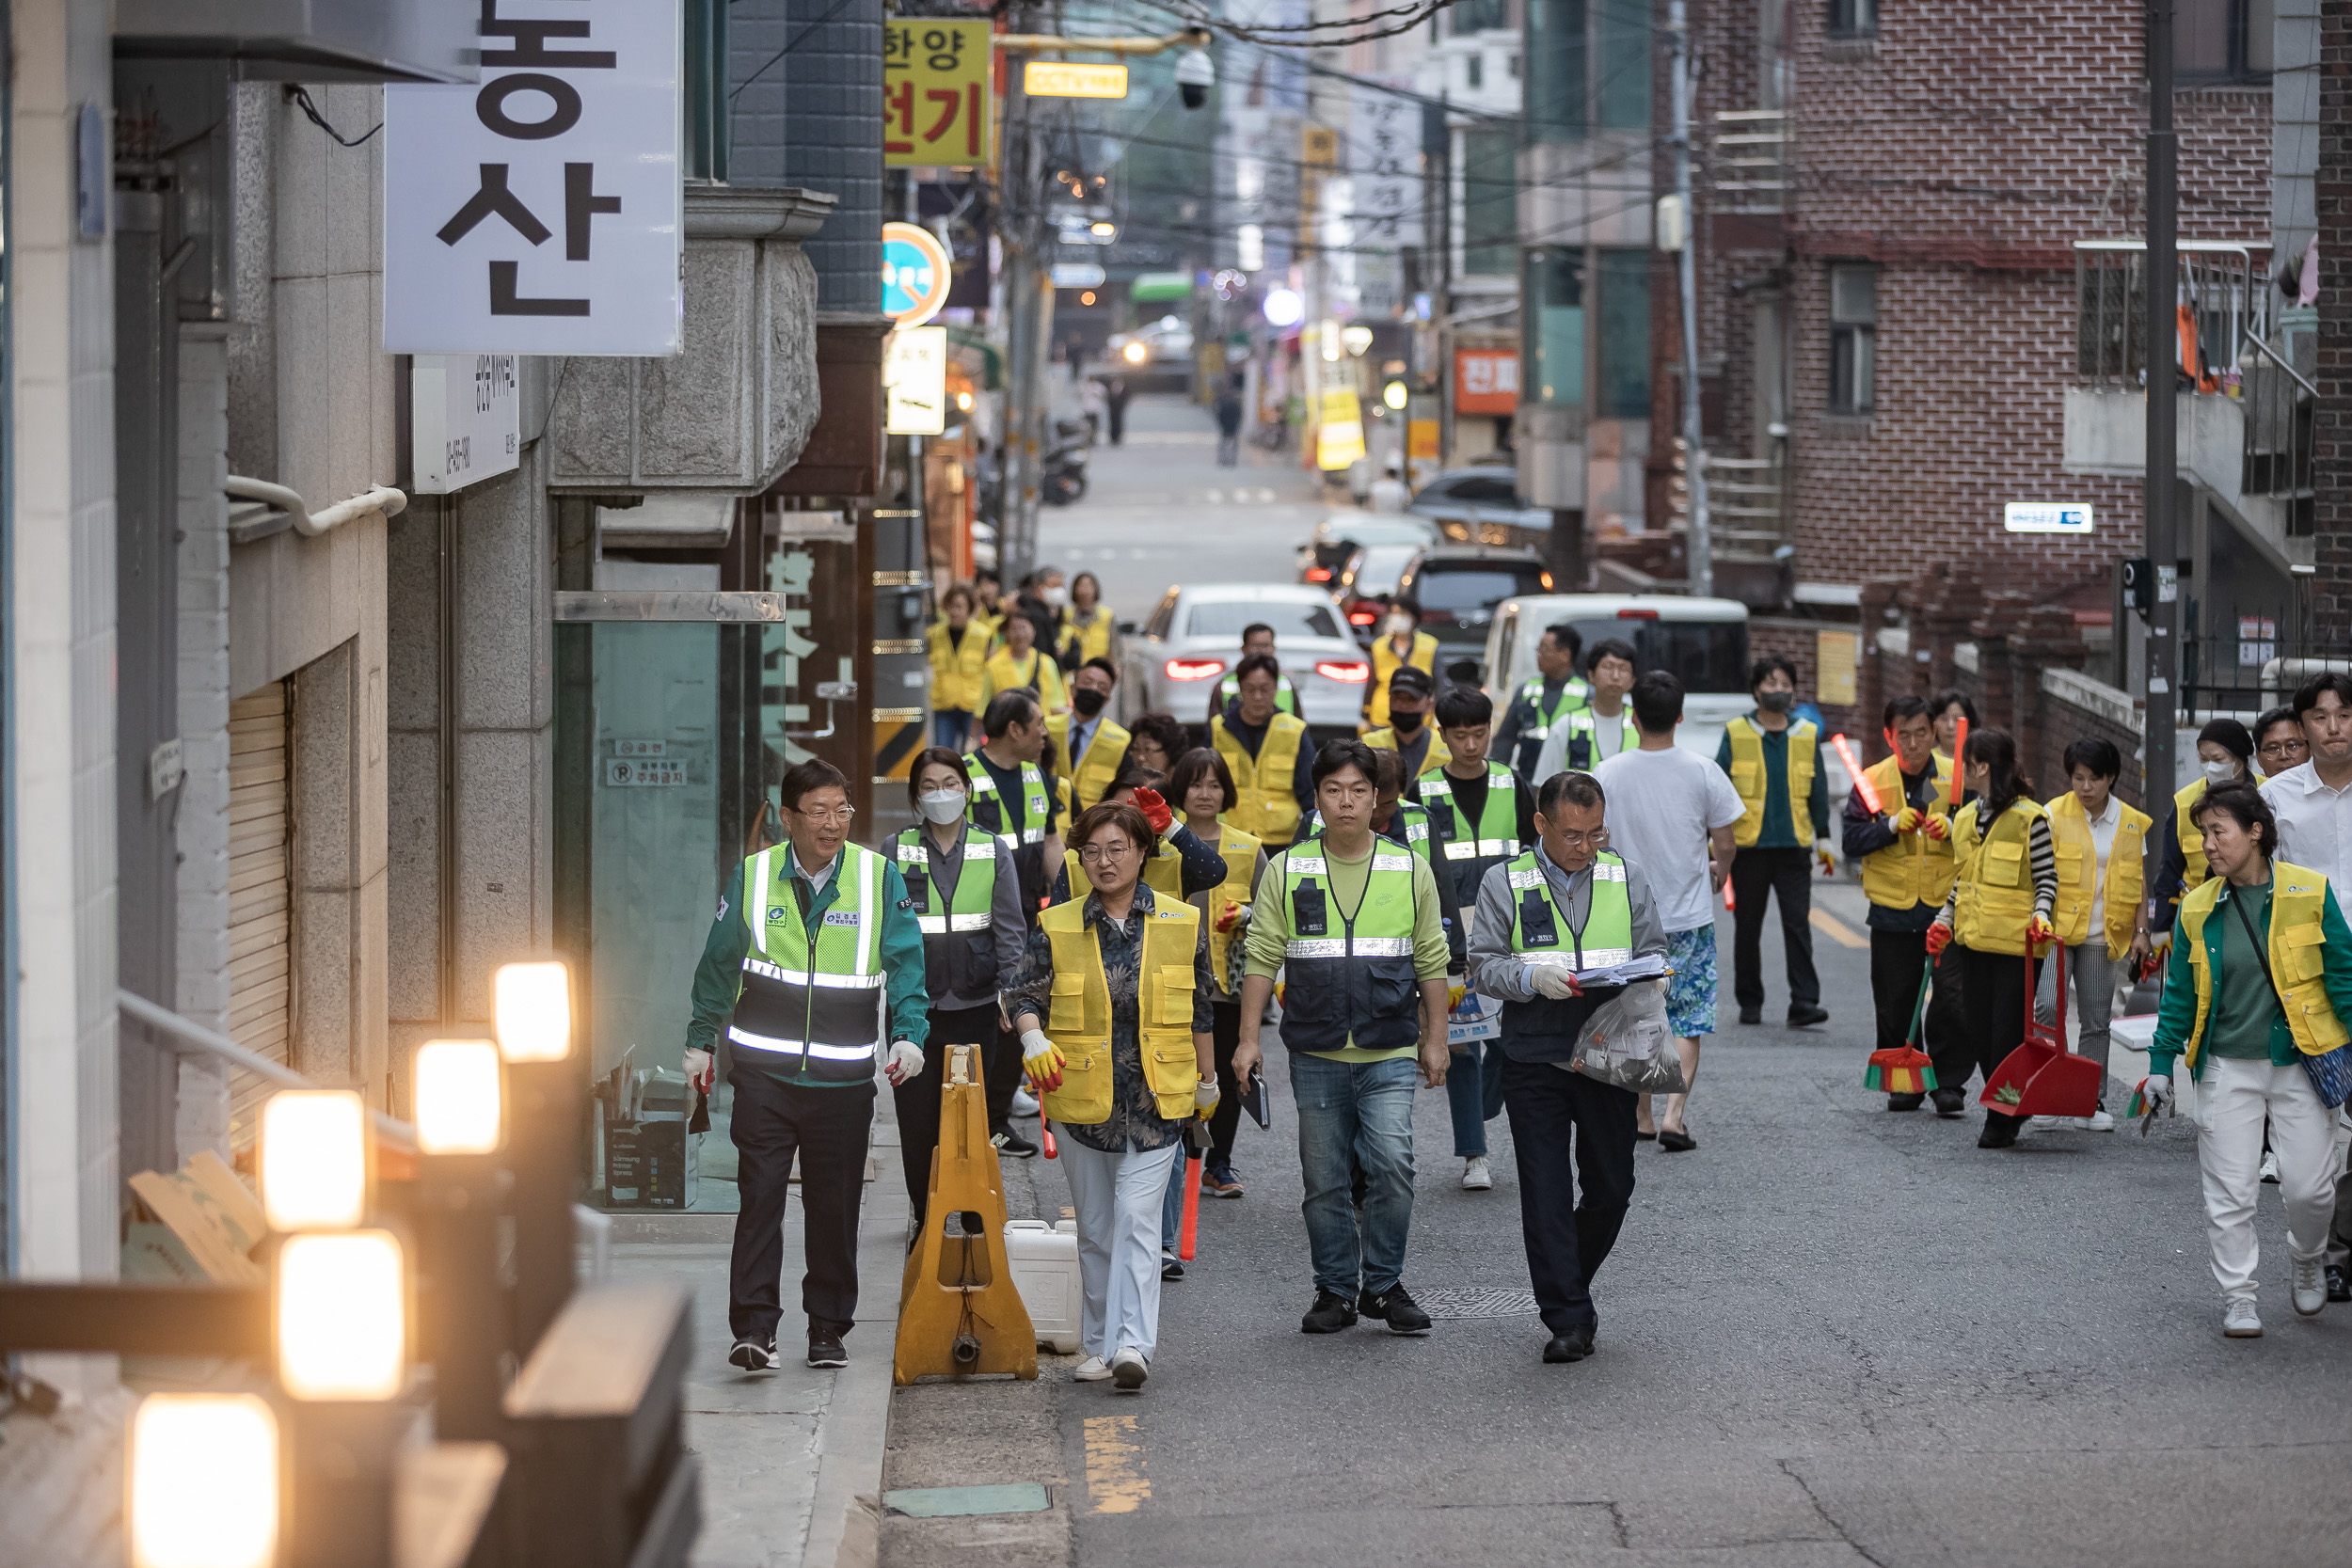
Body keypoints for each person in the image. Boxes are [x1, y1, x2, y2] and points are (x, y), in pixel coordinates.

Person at [682, 760, 929, 1371]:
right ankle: (755, 1330)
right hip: (764, 1078)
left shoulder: (877, 877)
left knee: (834, 1205)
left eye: (841, 809)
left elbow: (906, 963)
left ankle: (827, 1327)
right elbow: (719, 963)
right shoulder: (754, 875)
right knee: (760, 1197)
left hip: (843, 1085)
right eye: (817, 810)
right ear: (787, 817)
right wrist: (700, 1041)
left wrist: (909, 1035)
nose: (832, 822)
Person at [1232, 739, 1454, 1337]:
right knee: (1323, 1179)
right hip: (1316, 1051)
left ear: (1378, 798)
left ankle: (1383, 1285)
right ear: (1318, 799)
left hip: (1389, 1047)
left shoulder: (1410, 868)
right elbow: (1261, 957)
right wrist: (1248, 1039)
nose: (1347, 802)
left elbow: (1432, 958)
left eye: (1359, 790)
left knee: (1394, 1164)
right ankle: (1334, 1290)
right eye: (1334, 790)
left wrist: (1437, 1038)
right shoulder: (1288, 867)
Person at [1004, 800, 1219, 1389]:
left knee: (1137, 1220)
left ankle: (1133, 1346)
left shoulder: (1181, 923)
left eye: (1116, 849)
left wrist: (1210, 1081)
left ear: (1142, 852)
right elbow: (1021, 996)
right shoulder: (1058, 923)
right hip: (1082, 1098)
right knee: (1096, 1228)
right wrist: (1032, 1040)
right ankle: (1098, 1344)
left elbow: (1201, 1008)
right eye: (1092, 851)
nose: (1104, 862)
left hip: (1158, 1097)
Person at [1466, 770, 1669, 1363]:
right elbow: (1482, 967)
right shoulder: (1505, 882)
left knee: (1612, 1187)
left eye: (1596, 832)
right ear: (1541, 825)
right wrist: (1531, 977)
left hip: (1612, 1049)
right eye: (1573, 835)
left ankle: (1565, 1279)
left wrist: (1652, 972)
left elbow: (1653, 947)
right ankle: (1568, 1318)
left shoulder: (1624, 875)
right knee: (1547, 1192)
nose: (1587, 846)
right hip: (1534, 1055)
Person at [2141, 783, 2352, 1338]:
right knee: (2230, 1189)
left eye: (2218, 831)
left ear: (2255, 831)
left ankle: (2306, 1255)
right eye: (2203, 834)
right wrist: (2161, 1064)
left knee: (2311, 1187)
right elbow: (2180, 996)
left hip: (2302, 1061)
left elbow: (2343, 980)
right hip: (2225, 1066)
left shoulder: (2311, 891)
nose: (2207, 845)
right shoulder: (2196, 906)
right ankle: (2240, 1295)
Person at [1594, 673, 1743, 1150]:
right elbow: (1725, 840)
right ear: (1679, 717)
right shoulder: (1703, 771)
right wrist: (1720, 868)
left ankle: (1641, 1114)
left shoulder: (1608, 773)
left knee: (1640, 1013)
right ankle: (1674, 1116)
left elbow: (1599, 841)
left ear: (1633, 717)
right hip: (1690, 917)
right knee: (1688, 1016)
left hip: (1628, 919)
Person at [891, 751, 1027, 1227]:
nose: (941, 793)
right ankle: (925, 1221)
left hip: (977, 1005)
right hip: (913, 1014)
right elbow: (886, 935)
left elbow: (1010, 930)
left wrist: (1013, 994)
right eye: (929, 785)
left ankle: (973, 1218)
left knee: (971, 1121)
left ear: (967, 790)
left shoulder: (993, 850)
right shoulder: (896, 848)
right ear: (916, 796)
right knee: (917, 1124)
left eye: (950, 783)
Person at [1415, 685, 1537, 1188]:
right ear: (1442, 734)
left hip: (1509, 930)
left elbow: (1537, 852)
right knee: (1461, 1042)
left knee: (1508, 1039)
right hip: (1447, 931)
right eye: (1459, 735)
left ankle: (1487, 1110)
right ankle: (1474, 1155)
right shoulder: (1421, 792)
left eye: (1480, 733)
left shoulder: (1514, 783)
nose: (1470, 745)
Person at [2260, 674, 2352, 1303]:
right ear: (2302, 727)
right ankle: (2331, 1251)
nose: (2335, 726)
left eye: (2345, 714)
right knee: (2331, 1113)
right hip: (2313, 976)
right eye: (2321, 717)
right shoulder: (2275, 797)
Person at [1924, 727, 2058, 1150]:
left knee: (2006, 1035)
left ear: (1980, 767)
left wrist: (2041, 914)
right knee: (1977, 1029)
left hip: (2017, 949)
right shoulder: (1965, 818)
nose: (1962, 770)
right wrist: (1943, 919)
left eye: (1966, 763)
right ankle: (2011, 1103)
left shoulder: (2030, 818)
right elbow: (1963, 881)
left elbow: (2046, 879)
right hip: (1972, 943)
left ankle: (2002, 1115)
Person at [1842, 696, 1964, 1115]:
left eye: (1920, 734)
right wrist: (1890, 826)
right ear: (1888, 737)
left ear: (1934, 733)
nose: (1912, 744)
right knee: (1895, 998)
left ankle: (1948, 1082)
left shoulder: (1956, 778)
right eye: (1902, 735)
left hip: (1945, 906)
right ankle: (1904, 1080)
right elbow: (1850, 840)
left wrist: (1952, 828)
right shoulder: (1872, 780)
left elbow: (1981, 834)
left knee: (1951, 997)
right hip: (1892, 906)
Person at [2035, 737, 2153, 1132]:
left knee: (2096, 1021)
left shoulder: (2132, 821)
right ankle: (2048, 1091)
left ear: (2111, 778)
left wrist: (2142, 931)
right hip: (2058, 932)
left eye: (2094, 779)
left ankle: (2089, 1099)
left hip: (2106, 935)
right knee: (2047, 1009)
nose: (2085, 787)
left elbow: (2138, 882)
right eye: (2078, 778)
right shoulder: (2054, 813)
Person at [966, 690, 1063, 1156]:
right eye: (1039, 723)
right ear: (1015, 729)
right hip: (972, 923)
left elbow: (1049, 843)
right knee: (981, 1020)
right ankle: (969, 1122)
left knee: (1016, 1016)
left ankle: (997, 1121)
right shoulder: (962, 777)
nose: (1045, 732)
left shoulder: (1037, 776)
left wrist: (1069, 898)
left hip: (1024, 916)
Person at [1715, 657, 1834, 1027]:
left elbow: (1818, 788)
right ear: (1755, 690)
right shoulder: (1736, 732)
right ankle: (1750, 1002)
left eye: (1785, 684)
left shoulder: (1807, 733)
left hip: (1794, 846)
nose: (1778, 691)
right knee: (1748, 926)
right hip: (1749, 848)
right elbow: (1718, 789)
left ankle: (1804, 1002)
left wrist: (1825, 836)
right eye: (1770, 684)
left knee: (1798, 924)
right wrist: (1715, 842)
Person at [1171, 748, 1265, 1199]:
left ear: (1226, 791)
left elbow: (1272, 915)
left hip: (1227, 985)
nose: (1204, 794)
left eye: (1213, 784)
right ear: (1180, 791)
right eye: (1195, 784)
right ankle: (1183, 1156)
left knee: (1228, 1074)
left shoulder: (1248, 847)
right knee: (1180, 1070)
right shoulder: (1160, 841)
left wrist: (1246, 913)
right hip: (1171, 980)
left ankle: (1219, 1162)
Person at [1048, 767, 1228, 906]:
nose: (1119, 821)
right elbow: (1055, 927)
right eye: (1113, 808)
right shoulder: (1076, 858)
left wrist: (1172, 828)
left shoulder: (1176, 857)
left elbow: (1215, 872)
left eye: (1134, 814)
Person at [2151, 718, 2261, 935]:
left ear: (2239, 759)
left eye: (2218, 759)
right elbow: (2169, 869)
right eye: (2204, 759)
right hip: (2200, 915)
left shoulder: (2267, 794)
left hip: (2256, 912)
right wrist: (2161, 927)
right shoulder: (2184, 802)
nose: (2210, 766)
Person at [1208, 653, 1314, 849]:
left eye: (1264, 689)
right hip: (1230, 836)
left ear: (1275, 688)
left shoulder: (1294, 730)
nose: (1258, 697)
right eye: (1250, 689)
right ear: (1240, 689)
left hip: (1282, 840)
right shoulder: (1218, 729)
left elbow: (1310, 792)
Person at [1532, 637, 1639, 783]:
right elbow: (1543, 786)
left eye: (1623, 669)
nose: (1615, 676)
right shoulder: (1566, 726)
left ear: (1633, 680)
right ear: (1591, 675)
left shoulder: (1642, 725)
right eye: (1608, 667)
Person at [1494, 624, 1593, 780]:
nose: (1538, 654)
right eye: (1538, 649)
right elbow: (1505, 738)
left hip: (1568, 782)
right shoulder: (1526, 690)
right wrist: (1497, 773)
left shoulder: (1587, 694)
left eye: (1544, 649)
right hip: (1528, 778)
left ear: (1565, 655)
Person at [1052, 657, 1132, 813]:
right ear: (1072, 689)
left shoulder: (1122, 741)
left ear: (1107, 698)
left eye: (1102, 687)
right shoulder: (1047, 729)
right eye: (1087, 682)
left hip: (1093, 826)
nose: (1094, 689)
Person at [926, 584, 990, 752]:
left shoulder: (983, 636)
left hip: (973, 707)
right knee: (942, 754)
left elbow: (991, 671)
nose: (954, 612)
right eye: (950, 606)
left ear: (969, 609)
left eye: (959, 607)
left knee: (972, 756)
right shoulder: (934, 634)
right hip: (943, 705)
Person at [977, 605, 1070, 719]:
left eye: (1024, 628)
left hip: (1039, 731)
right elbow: (983, 709)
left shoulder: (1047, 663)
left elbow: (1056, 705)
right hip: (1006, 732)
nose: (1020, 634)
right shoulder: (993, 665)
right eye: (1015, 629)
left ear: (1034, 631)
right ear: (1007, 634)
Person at [1365, 600, 1438, 732]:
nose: (1397, 618)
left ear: (1414, 618)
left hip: (1418, 717)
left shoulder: (1430, 645)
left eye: (1402, 613)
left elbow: (1440, 682)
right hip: (1383, 717)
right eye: (1394, 613)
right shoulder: (1379, 646)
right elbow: (1371, 684)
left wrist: (1439, 713)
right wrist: (1365, 712)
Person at [1364, 666, 1447, 781]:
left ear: (1430, 705)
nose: (1403, 705)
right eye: (1397, 698)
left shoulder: (1447, 746)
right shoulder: (1367, 745)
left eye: (1412, 699)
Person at [1207, 623, 1299, 725]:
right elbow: (1214, 731)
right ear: (1243, 648)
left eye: (1266, 646)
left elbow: (1299, 727)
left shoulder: (1287, 685)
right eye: (1256, 646)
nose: (1261, 651)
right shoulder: (1223, 686)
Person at [1059, 571, 1119, 669]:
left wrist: (1116, 666)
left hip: (1098, 667)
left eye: (1088, 586)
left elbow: (1115, 645)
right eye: (1081, 586)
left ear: (1096, 589)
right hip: (1073, 668)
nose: (1085, 590)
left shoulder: (1106, 615)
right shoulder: (1066, 615)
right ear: (1075, 589)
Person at [2253, 703, 2312, 783]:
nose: (2284, 756)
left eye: (2292, 746)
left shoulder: (2330, 792)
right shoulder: (2257, 794)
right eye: (2273, 748)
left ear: (2311, 750)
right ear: (2259, 757)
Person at [1122, 711, 1190, 779]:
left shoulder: (1187, 786)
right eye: (1136, 749)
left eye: (1148, 749)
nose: (1140, 758)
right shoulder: (1130, 786)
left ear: (1170, 750)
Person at [1929, 689, 1979, 771]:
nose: (1950, 726)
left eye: (1957, 719)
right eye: (1944, 719)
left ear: (1970, 723)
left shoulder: (1979, 762)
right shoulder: (1926, 762)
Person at [1214, 375, 1244, 467]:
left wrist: (1221, 424)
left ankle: (1223, 460)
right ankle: (1232, 460)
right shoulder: (1235, 404)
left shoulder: (1223, 403)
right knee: (1233, 444)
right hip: (1233, 425)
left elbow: (1219, 416)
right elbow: (1239, 415)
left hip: (1225, 426)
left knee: (1224, 443)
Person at [1104, 376, 1131, 445]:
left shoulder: (1124, 389)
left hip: (1119, 408)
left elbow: (1126, 398)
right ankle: (1112, 437)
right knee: (1112, 422)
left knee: (1119, 422)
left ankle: (1118, 437)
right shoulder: (1110, 389)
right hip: (1112, 408)